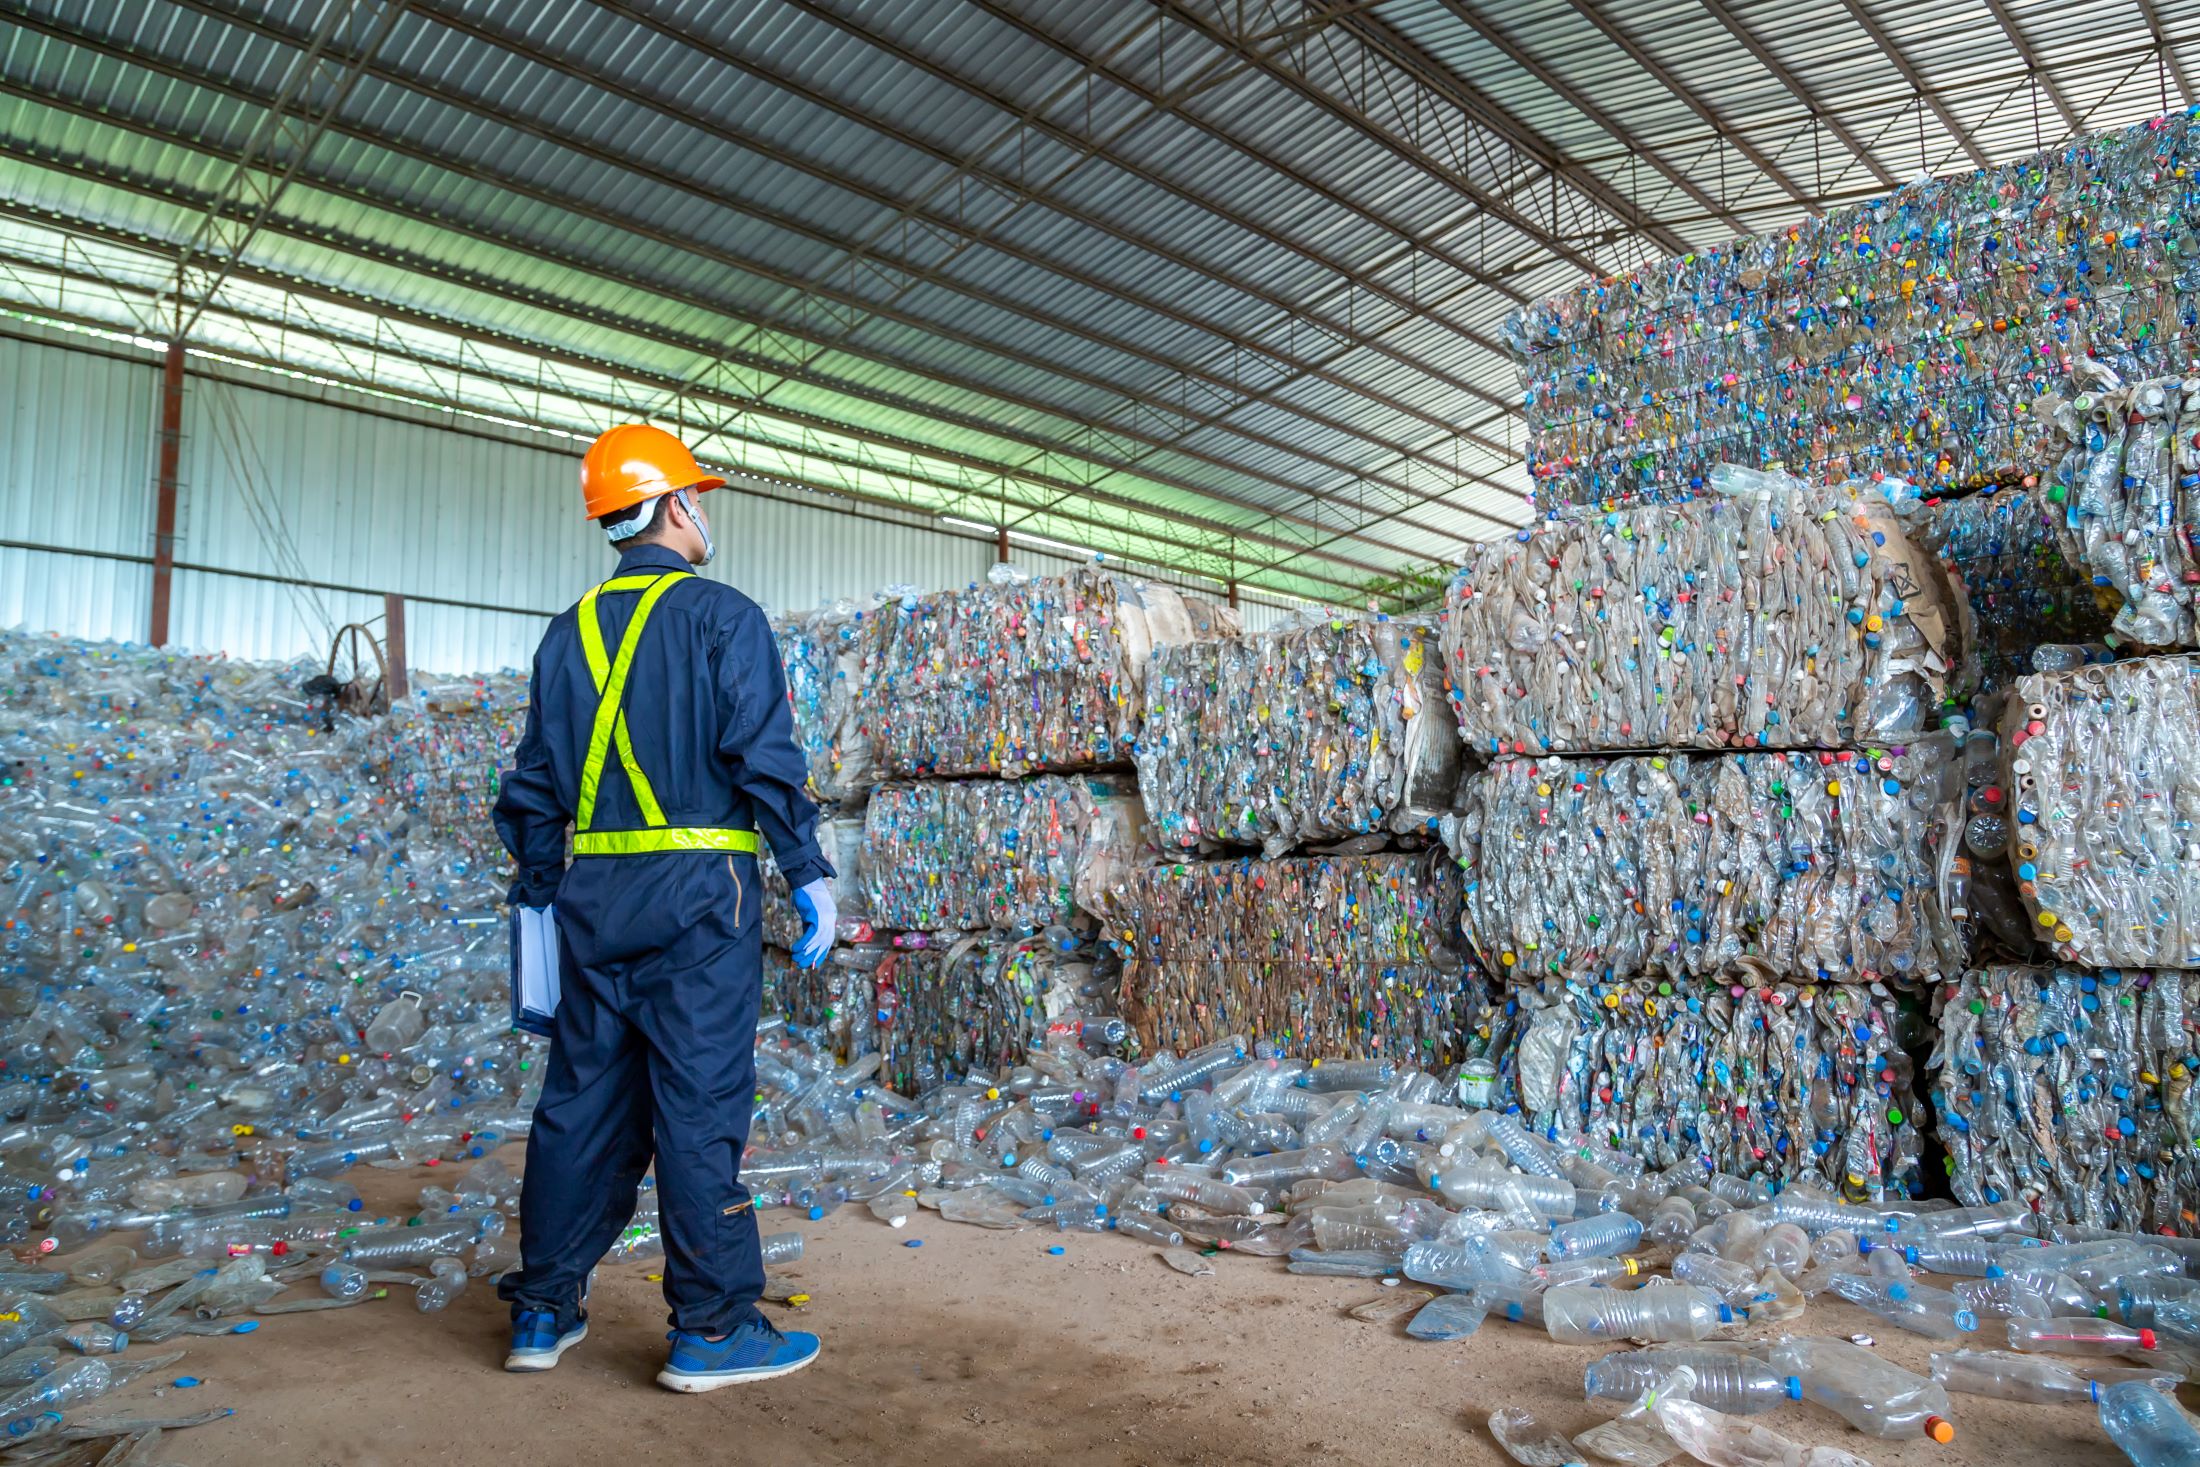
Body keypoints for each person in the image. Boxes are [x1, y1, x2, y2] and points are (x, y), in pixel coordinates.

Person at [491, 423, 840, 1391]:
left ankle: (541, 1311)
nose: (705, 510)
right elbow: (762, 758)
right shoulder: (725, 619)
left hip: (591, 901)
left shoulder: (566, 637)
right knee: (698, 1103)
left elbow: (530, 797)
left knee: (581, 1104)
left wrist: (538, 896)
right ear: (675, 505)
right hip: (700, 903)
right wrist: (807, 871)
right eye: (699, 495)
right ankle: (714, 1326)